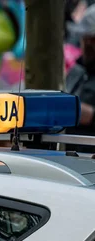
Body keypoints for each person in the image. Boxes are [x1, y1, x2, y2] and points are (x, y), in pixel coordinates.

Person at [66, 5, 95, 152]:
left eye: (93, 40)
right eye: (86, 39)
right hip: (68, 154)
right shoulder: (77, 69)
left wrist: (92, 116)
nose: (87, 45)